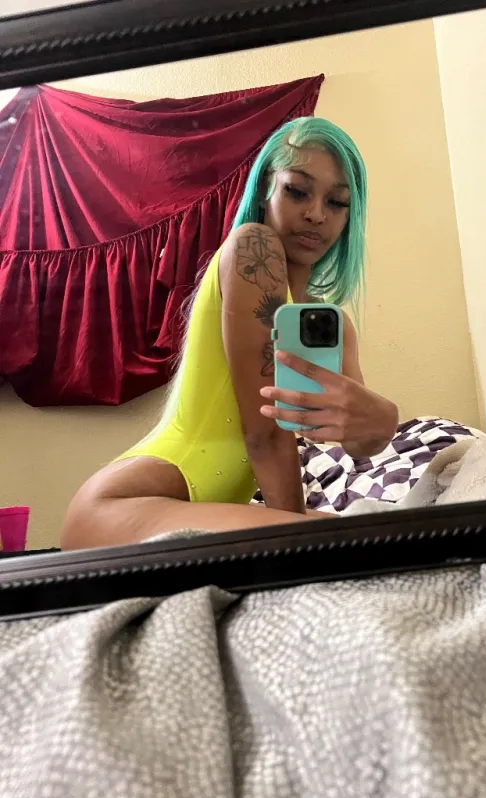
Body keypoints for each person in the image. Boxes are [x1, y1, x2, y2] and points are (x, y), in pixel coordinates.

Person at [61, 117, 399, 550]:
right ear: (264, 190)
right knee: (348, 546)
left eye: (337, 202)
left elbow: (357, 443)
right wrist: (296, 539)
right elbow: (264, 435)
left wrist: (383, 421)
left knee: (384, 539)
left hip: (180, 510)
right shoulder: (254, 249)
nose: (316, 214)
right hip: (126, 505)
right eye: (297, 191)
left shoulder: (334, 325)